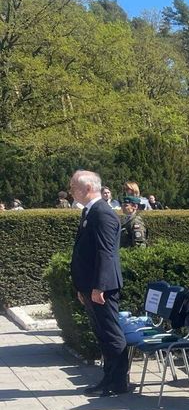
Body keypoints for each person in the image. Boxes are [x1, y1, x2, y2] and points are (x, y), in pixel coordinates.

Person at [69, 170, 129, 397]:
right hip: (90, 285)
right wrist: (82, 287)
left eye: (74, 186)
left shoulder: (102, 213)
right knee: (102, 334)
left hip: (101, 287)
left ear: (87, 188)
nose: (71, 190)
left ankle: (118, 381)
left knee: (111, 333)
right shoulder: (89, 211)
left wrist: (99, 287)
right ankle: (108, 378)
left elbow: (106, 253)